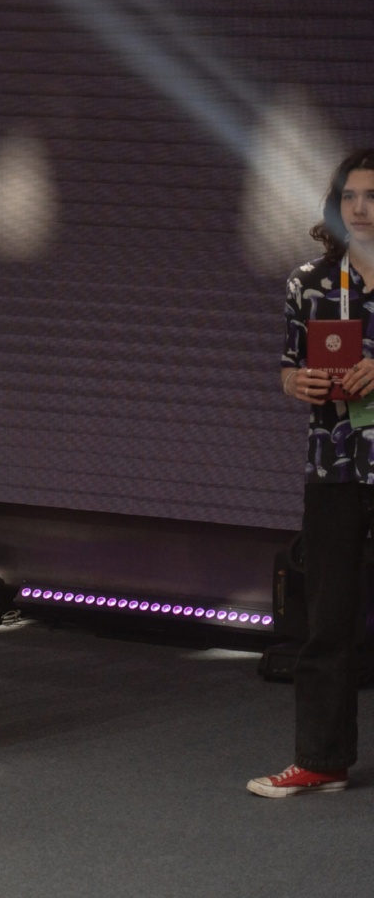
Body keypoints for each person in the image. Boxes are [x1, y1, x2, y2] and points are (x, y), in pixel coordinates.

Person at [252, 148, 374, 797]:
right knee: (328, 620)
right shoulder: (312, 281)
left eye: (373, 196)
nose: (360, 208)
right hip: (335, 465)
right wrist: (296, 382)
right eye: (350, 196)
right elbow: (288, 364)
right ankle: (322, 759)